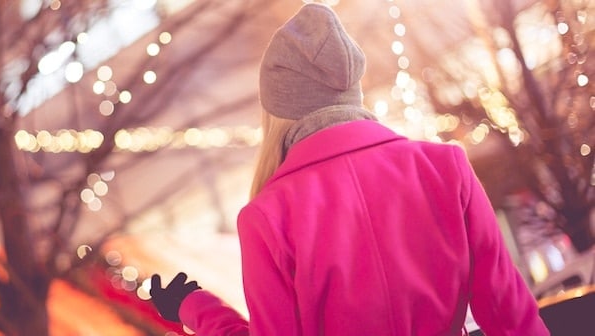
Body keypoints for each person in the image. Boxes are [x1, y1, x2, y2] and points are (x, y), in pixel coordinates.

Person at [149, 3, 550, 335]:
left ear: (278, 112)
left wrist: (197, 310)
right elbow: (509, 311)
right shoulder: (444, 166)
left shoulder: (267, 217)